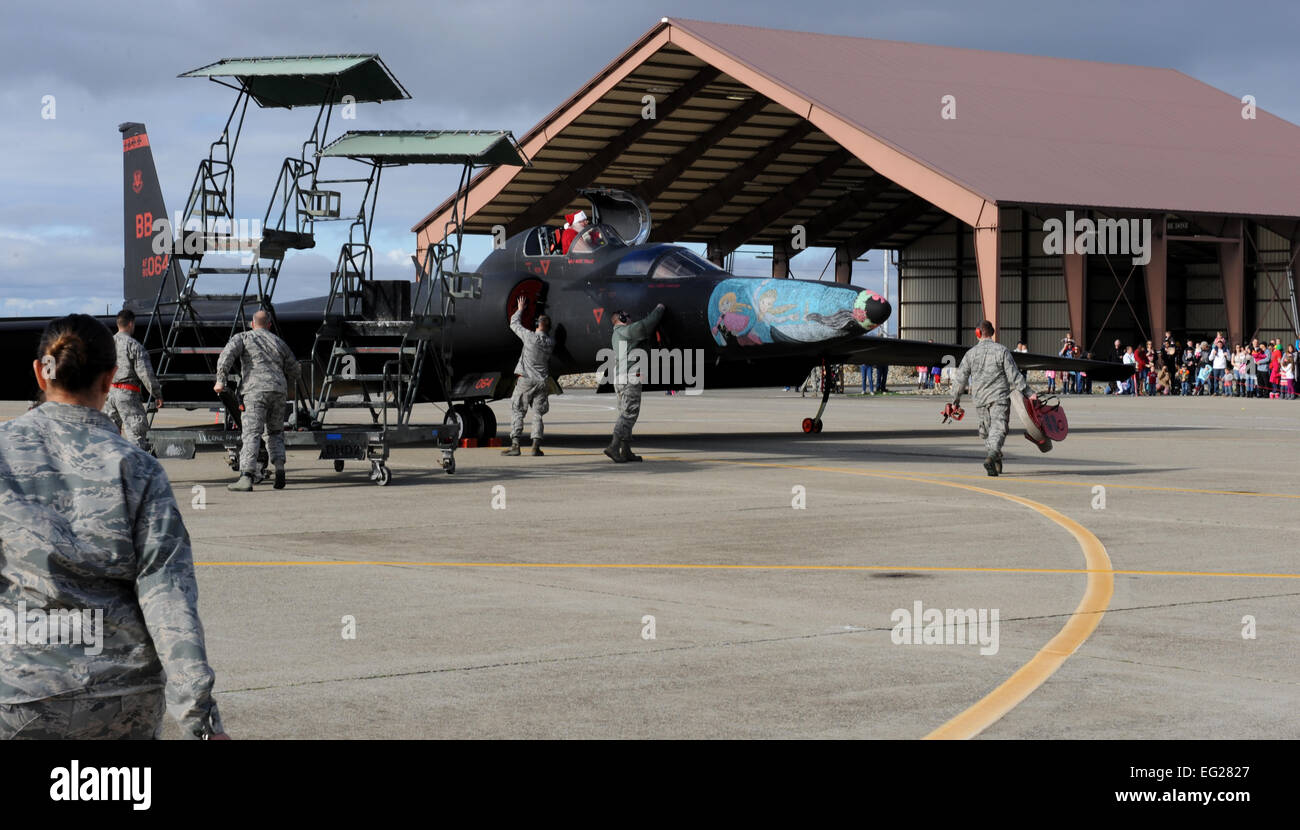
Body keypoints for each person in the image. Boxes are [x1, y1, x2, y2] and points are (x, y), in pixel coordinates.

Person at [0, 314, 226, 739]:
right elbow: (169, 597)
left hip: (22, 694)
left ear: (39, 372)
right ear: (110, 379)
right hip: (124, 699)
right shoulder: (139, 469)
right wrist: (200, 719)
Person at [214, 310, 300, 492]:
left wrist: (221, 381)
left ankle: (246, 477)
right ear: (269, 324)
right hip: (278, 391)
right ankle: (280, 469)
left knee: (252, 433)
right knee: (275, 432)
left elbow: (226, 356)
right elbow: (296, 370)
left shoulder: (244, 337)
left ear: (252, 324)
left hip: (254, 392)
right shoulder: (279, 342)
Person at [949, 320, 1037, 477]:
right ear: (992, 332)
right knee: (999, 428)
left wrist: (954, 401)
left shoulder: (970, 354)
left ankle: (995, 459)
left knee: (988, 431)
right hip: (999, 398)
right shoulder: (1002, 351)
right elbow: (1014, 376)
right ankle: (992, 456)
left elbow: (960, 379)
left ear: (977, 333)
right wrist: (1029, 393)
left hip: (980, 400)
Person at [605, 304, 665, 463]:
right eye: (628, 316)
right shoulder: (626, 331)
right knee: (629, 414)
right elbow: (645, 326)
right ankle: (613, 446)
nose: (631, 318)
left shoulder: (617, 335)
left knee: (625, 412)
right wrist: (659, 309)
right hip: (630, 376)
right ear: (621, 319)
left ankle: (626, 451)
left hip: (621, 378)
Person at [103, 308, 162, 452]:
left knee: (109, 437)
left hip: (109, 394)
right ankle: (137, 470)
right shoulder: (134, 346)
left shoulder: (106, 345)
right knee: (137, 437)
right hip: (127, 394)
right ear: (131, 324)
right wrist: (157, 394)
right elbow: (145, 374)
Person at [502, 296, 555, 456]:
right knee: (538, 414)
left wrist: (520, 309)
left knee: (518, 410)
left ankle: (516, 445)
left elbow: (514, 324)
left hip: (526, 379)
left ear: (536, 325)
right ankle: (535, 446)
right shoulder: (551, 342)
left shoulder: (530, 337)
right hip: (542, 381)